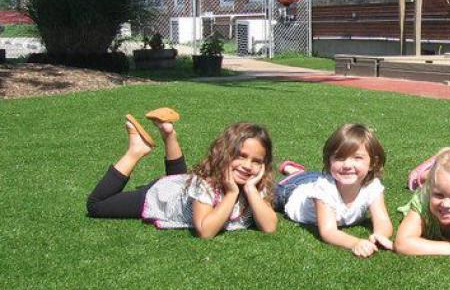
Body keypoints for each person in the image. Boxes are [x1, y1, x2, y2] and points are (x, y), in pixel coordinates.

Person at [86, 110, 277, 239]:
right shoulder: (206, 184)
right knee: (97, 206)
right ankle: (136, 149)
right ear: (225, 153)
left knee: (179, 179)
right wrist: (232, 193)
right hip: (163, 196)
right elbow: (205, 230)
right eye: (241, 156)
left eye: (256, 161)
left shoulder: (256, 183)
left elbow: (269, 227)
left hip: (181, 185)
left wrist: (251, 189)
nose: (247, 166)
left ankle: (168, 133)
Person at [274, 123, 393, 258]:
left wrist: (380, 236)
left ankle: (296, 171)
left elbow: (382, 220)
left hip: (320, 178)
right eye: (339, 158)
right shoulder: (324, 189)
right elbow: (328, 231)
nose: (347, 165)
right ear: (329, 160)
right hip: (293, 190)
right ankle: (294, 172)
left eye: (357, 158)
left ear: (372, 163)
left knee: (312, 177)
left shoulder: (372, 186)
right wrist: (355, 242)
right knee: (265, 192)